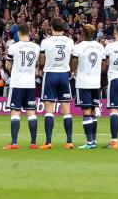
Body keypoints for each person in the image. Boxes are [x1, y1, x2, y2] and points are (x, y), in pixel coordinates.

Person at [3, 23, 41, 150]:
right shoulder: (36, 47)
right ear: (29, 33)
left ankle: (14, 143)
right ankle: (33, 143)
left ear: (18, 33)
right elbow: (37, 63)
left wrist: (13, 70)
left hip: (17, 83)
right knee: (31, 112)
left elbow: (8, 66)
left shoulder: (13, 47)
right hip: (30, 83)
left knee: (15, 112)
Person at [38, 17, 75, 149]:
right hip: (64, 75)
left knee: (49, 110)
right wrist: (72, 69)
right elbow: (73, 59)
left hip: (50, 74)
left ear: (51, 27)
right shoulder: (70, 41)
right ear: (63, 27)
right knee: (66, 110)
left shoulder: (46, 41)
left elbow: (41, 62)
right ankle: (69, 141)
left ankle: (48, 142)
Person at [71, 24, 104, 149]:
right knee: (93, 112)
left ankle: (89, 142)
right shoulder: (100, 47)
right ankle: (93, 141)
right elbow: (104, 65)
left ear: (83, 34)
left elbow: (73, 62)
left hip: (83, 82)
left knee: (86, 113)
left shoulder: (78, 47)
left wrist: (73, 72)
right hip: (96, 83)